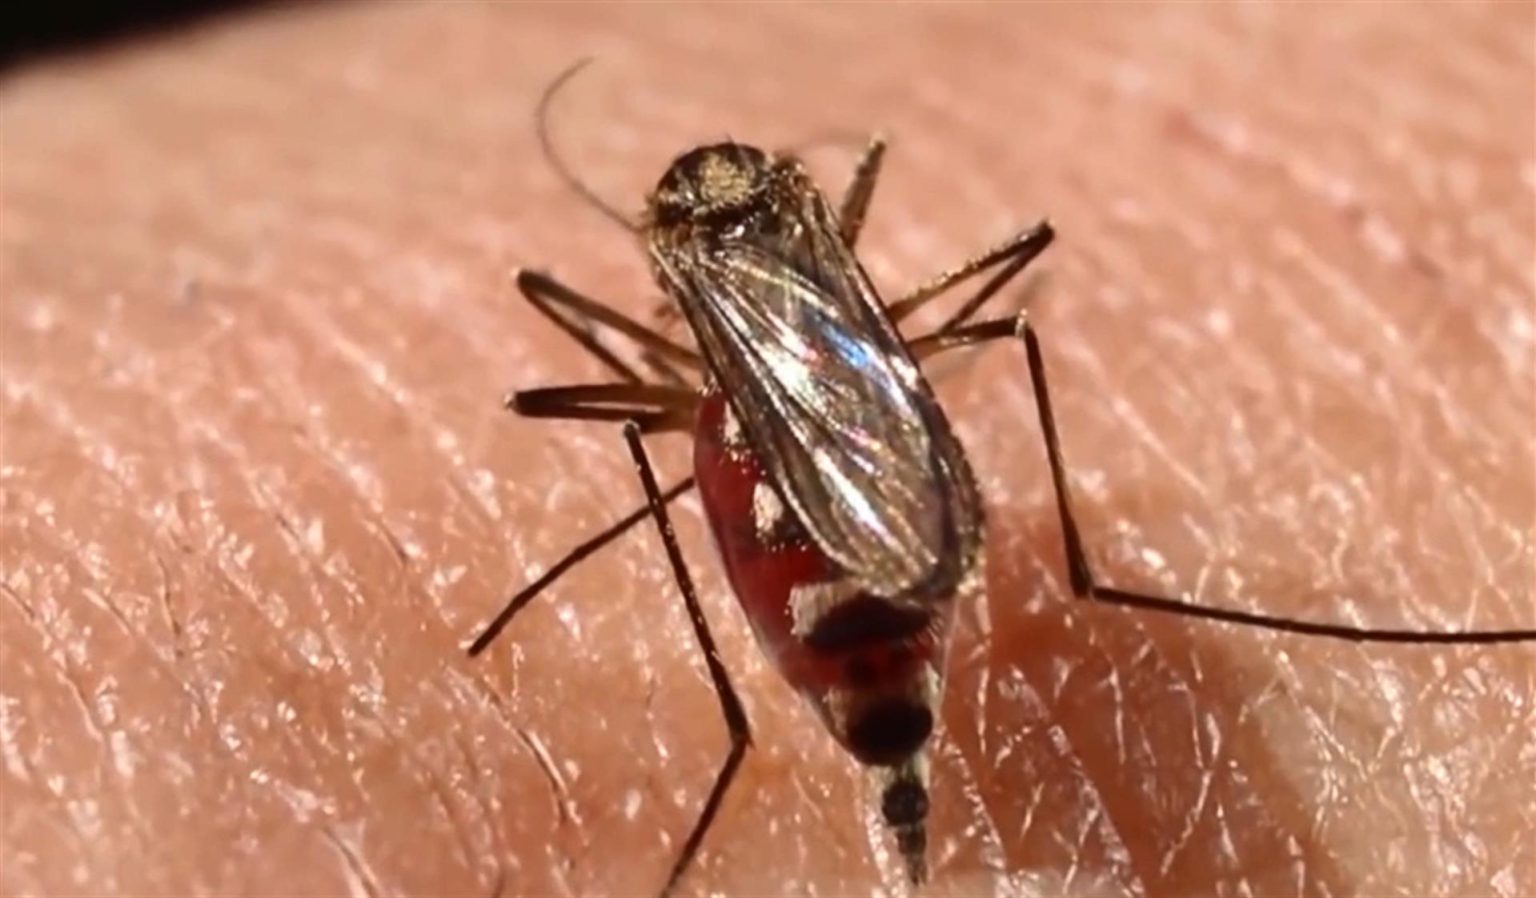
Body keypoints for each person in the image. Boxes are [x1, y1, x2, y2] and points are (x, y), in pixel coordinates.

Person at [2, 4, 1530, 896]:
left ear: (667, 242)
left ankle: (762, 722)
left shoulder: (677, 272)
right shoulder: (810, 221)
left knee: (675, 424)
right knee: (1004, 308)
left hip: (830, 496)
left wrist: (710, 411)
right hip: (869, 468)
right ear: (797, 209)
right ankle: (1023, 603)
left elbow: (629, 356)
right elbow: (838, 355)